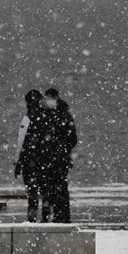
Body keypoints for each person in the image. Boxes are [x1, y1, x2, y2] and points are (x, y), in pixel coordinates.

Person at [39, 88, 78, 223]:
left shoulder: (49, 115)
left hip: (54, 159)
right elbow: (72, 138)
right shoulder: (63, 115)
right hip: (58, 159)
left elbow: (72, 139)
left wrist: (56, 147)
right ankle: (61, 215)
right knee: (58, 188)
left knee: (55, 188)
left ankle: (58, 215)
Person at [14, 89, 45, 222]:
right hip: (44, 161)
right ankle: (45, 216)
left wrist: (18, 163)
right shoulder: (46, 118)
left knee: (32, 193)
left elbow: (21, 143)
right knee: (44, 191)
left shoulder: (27, 119)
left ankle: (32, 218)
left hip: (29, 162)